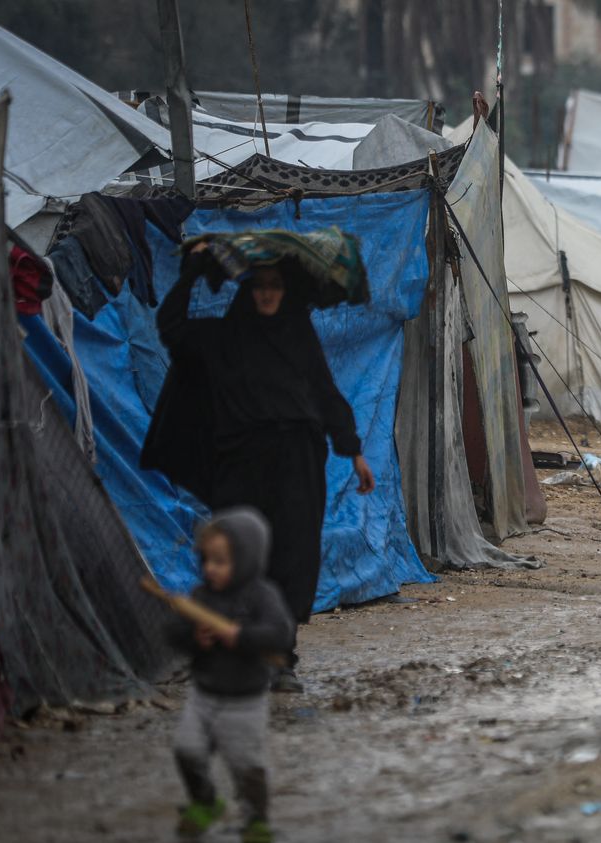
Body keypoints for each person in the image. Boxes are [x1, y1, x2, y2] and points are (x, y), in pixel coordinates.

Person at [144, 252, 375, 692]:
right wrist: (193, 275)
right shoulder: (223, 338)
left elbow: (325, 393)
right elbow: (171, 328)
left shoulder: (298, 334)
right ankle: (229, 651)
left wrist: (353, 451)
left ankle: (279, 656)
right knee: (237, 557)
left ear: (285, 292)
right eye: (259, 285)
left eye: (275, 285)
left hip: (297, 462)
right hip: (240, 462)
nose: (267, 292)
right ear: (247, 291)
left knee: (293, 554)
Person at [168, 508, 294, 843]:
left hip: (245, 702)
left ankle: (256, 820)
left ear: (247, 558)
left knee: (246, 766)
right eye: (207, 559)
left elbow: (280, 634)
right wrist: (195, 638)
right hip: (204, 694)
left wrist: (240, 636)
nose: (210, 568)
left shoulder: (262, 596)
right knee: (187, 749)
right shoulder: (201, 596)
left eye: (220, 561)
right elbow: (173, 633)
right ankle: (206, 801)